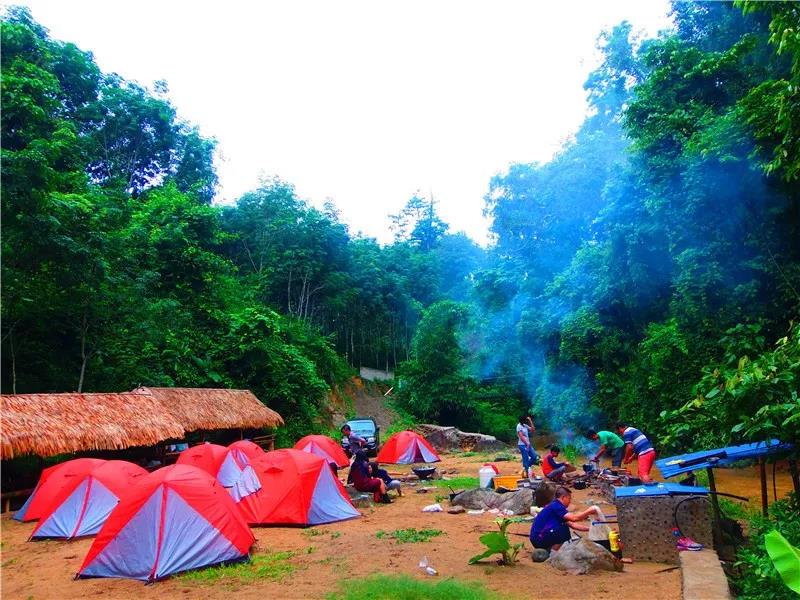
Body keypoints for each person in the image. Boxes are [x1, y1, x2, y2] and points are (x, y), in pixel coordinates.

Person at [529, 486, 598, 554]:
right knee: (563, 530)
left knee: (563, 527)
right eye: (569, 498)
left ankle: (551, 551)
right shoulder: (556, 506)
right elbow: (574, 518)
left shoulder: (555, 506)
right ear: (563, 497)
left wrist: (590, 528)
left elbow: (573, 525)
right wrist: (589, 511)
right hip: (539, 538)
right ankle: (553, 553)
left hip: (537, 538)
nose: (570, 501)